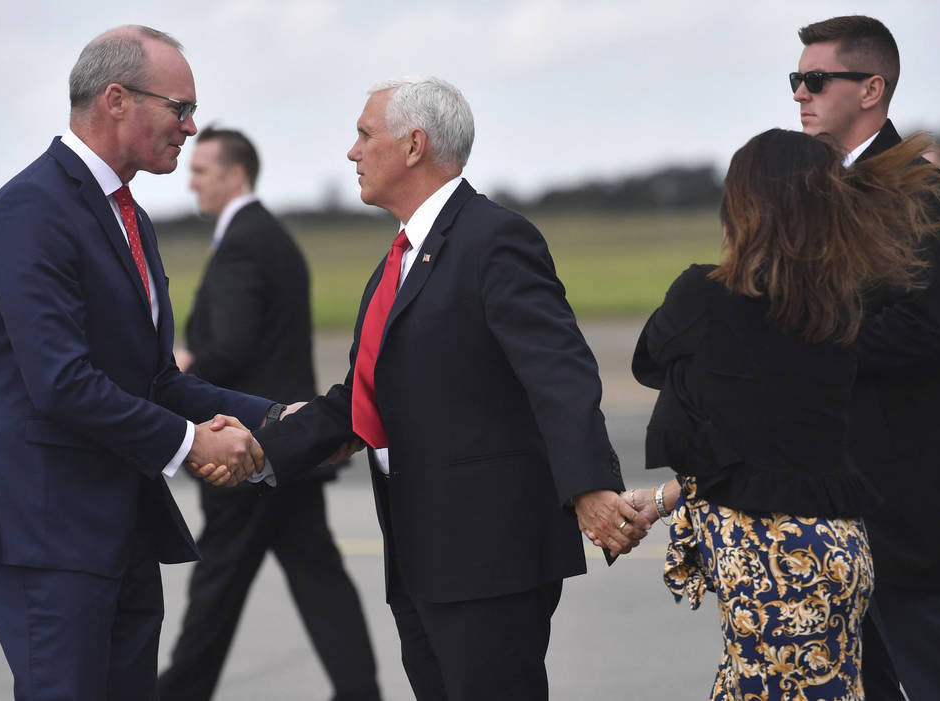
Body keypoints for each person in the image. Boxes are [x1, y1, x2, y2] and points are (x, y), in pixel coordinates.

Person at [238, 76, 648, 701]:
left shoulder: (494, 239)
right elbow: (363, 399)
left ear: (413, 146)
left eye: (364, 135)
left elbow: (559, 372)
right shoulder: (399, 259)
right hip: (422, 551)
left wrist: (590, 487)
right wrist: (262, 449)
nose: (351, 152)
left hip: (489, 555)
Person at [0, 26, 277, 700]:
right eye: (180, 109)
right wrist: (192, 443)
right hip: (50, 524)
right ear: (116, 100)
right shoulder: (31, 209)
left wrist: (276, 417)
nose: (191, 128)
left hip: (119, 516)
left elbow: (155, 379)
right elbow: (61, 383)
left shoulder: (129, 218)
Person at [628, 128, 940, 698]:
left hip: (771, 560)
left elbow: (649, 360)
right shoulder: (841, 309)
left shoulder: (705, 295)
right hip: (843, 549)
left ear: (742, 205)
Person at [158, 127, 381, 701]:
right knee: (317, 577)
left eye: (202, 170)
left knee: (217, 585)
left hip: (251, 446)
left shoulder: (242, 243)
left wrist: (182, 365)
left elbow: (231, 346)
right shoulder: (272, 236)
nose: (192, 180)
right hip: (291, 445)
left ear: (236, 175)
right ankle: (359, 690)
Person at [792, 16, 940, 699]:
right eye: (796, 79)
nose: (801, 92)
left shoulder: (918, 193)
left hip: (909, 519)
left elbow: (929, 325)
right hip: (841, 518)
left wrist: (809, 343)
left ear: (871, 89)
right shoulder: (827, 190)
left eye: (817, 80)